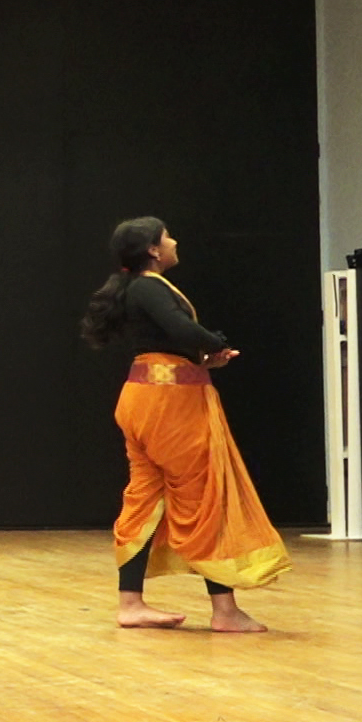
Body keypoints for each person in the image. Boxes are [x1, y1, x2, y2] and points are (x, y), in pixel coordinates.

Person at [80, 216, 288, 632]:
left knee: (144, 497)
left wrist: (204, 360)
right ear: (153, 250)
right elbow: (181, 329)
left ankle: (131, 604)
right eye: (167, 237)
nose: (175, 242)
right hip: (169, 405)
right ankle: (225, 611)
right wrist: (215, 343)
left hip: (144, 399)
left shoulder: (137, 289)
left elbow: (166, 342)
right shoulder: (149, 286)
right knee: (203, 497)